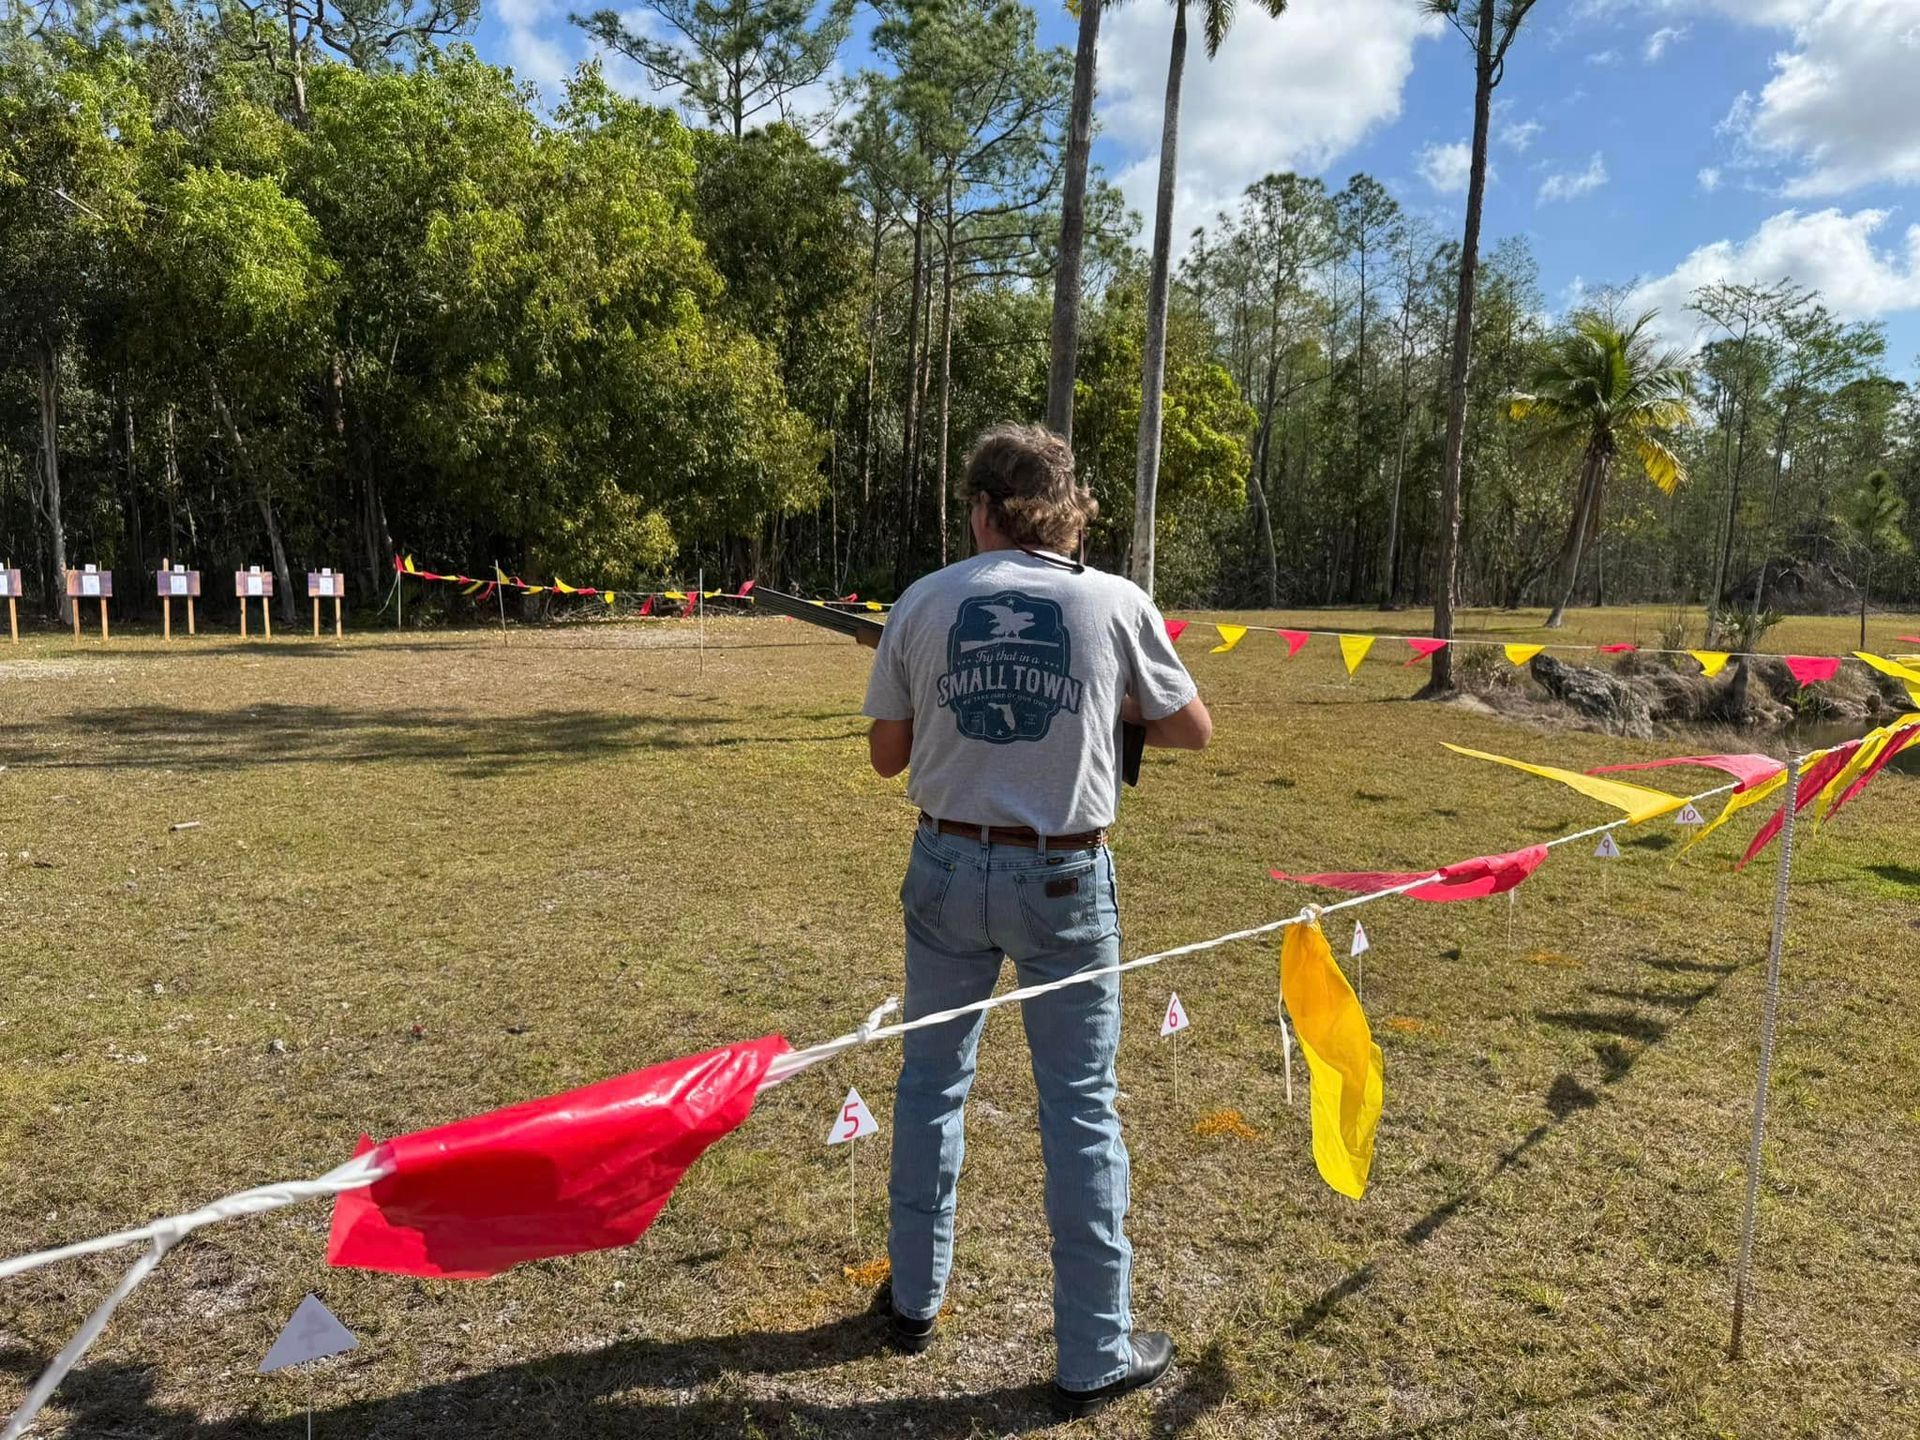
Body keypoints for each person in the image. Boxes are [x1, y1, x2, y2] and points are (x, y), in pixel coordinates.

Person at [860, 422, 1212, 1417]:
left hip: (942, 860)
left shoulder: (924, 601)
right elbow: (1192, 727)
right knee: (1080, 1105)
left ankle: (915, 1297)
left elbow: (889, 757)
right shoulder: (1115, 601)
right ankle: (1095, 1345)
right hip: (1061, 874)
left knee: (930, 1082)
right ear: (1068, 513)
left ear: (981, 509)